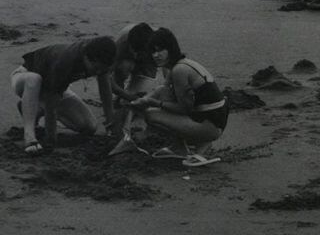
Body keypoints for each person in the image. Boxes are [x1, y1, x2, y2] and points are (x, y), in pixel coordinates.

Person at [128, 28, 228, 167]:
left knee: (151, 115)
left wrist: (152, 102)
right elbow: (162, 90)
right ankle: (180, 147)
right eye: (153, 52)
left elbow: (183, 109)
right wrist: (140, 101)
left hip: (211, 125)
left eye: (160, 50)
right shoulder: (180, 64)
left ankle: (196, 144)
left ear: (171, 48)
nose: (156, 55)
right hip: (214, 118)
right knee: (164, 96)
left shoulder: (179, 71)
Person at [10, 36, 117, 154]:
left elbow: (105, 88)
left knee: (89, 126)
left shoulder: (102, 56)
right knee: (34, 79)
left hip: (54, 87)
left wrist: (111, 124)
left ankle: (35, 109)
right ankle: (29, 136)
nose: (97, 72)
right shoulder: (65, 61)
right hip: (25, 79)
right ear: (86, 57)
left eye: (102, 69)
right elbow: (52, 105)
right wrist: (50, 140)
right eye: (95, 68)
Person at [107, 22, 160, 156]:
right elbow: (106, 79)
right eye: (134, 51)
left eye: (139, 53)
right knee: (124, 67)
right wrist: (124, 94)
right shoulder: (121, 43)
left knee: (136, 101)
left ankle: (129, 103)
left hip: (148, 61)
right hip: (124, 59)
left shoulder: (161, 44)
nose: (136, 55)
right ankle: (121, 99)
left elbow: (170, 72)